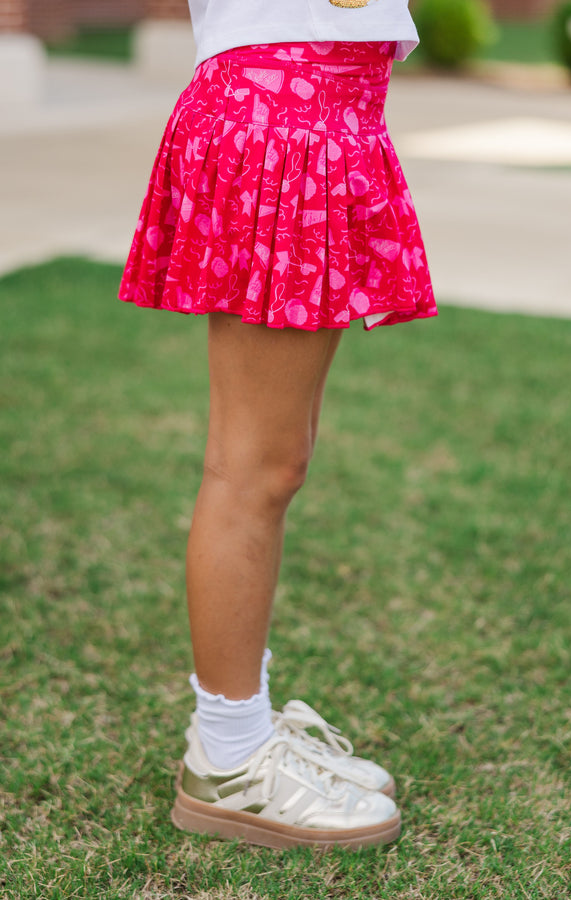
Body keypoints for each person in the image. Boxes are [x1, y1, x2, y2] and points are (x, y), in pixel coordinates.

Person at [119, 0, 437, 850]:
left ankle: (243, 728)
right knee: (251, 467)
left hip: (324, 110)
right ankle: (227, 755)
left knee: (276, 462)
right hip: (281, 111)